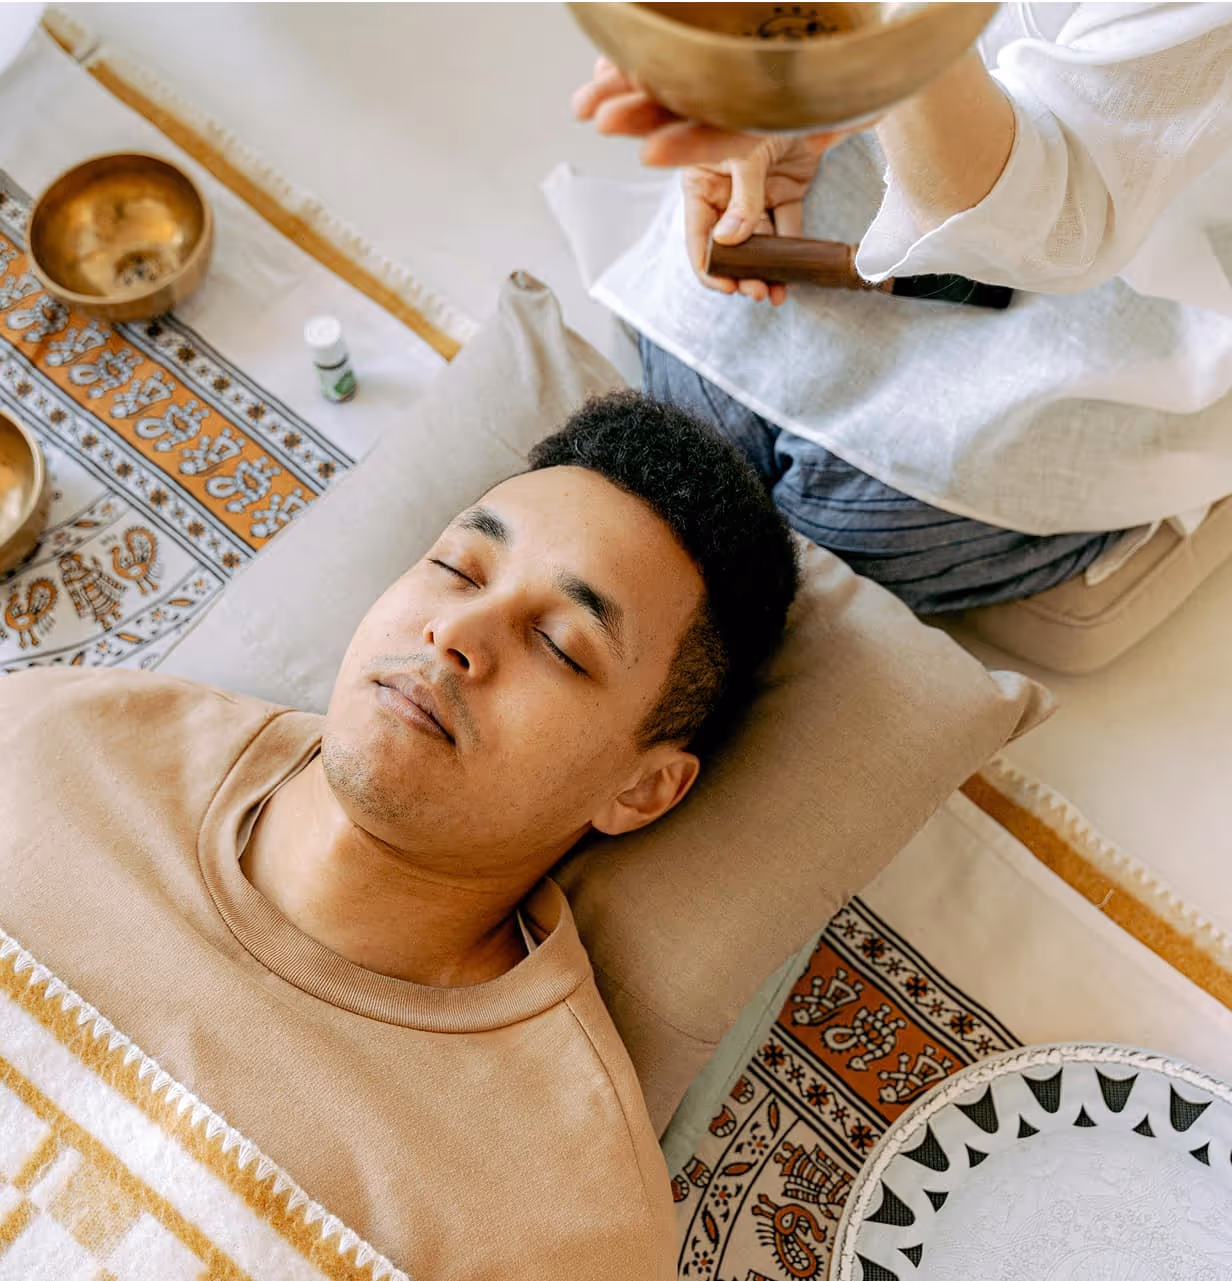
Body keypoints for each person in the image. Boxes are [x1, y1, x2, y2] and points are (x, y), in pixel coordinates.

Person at [0, 391, 798, 1280]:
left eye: (561, 645)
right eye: (458, 568)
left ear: (643, 788)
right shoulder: (45, 745)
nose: (454, 631)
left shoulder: (567, 1226)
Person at [572, 3, 1232, 614]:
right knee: (688, 450)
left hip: (1126, 279)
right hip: (840, 158)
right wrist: (768, 91)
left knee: (835, 527)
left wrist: (879, 50)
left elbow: (1061, 217)